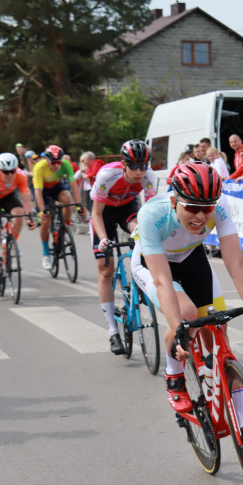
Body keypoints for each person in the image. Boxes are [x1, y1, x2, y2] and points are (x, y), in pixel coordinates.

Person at [131, 162, 243, 416]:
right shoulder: (151, 215)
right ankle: (174, 376)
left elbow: (236, 268)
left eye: (206, 209)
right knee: (187, 315)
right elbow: (164, 281)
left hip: (190, 257)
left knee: (219, 327)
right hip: (154, 263)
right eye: (192, 208)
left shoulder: (219, 208)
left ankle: (236, 409)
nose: (200, 217)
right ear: (175, 199)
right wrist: (179, 329)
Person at [91, 140, 159, 355]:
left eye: (144, 166)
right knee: (106, 269)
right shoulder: (106, 176)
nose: (140, 171)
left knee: (142, 231)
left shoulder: (149, 177)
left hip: (127, 209)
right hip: (103, 212)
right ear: (124, 164)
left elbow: (150, 212)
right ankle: (112, 331)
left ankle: (141, 282)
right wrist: (103, 239)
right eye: (135, 166)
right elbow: (96, 214)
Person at [0, 152, 36, 290]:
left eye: (12, 171)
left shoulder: (21, 175)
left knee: (19, 214)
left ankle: (10, 243)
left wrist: (30, 218)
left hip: (8, 197)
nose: (10, 175)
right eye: (6, 172)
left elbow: (26, 199)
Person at [34, 144, 82, 270]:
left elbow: (74, 186)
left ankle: (65, 228)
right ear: (47, 160)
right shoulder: (39, 167)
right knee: (46, 220)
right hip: (43, 190)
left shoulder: (66, 165)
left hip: (56, 187)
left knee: (67, 198)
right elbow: (38, 192)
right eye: (53, 163)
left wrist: (79, 205)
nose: (56, 166)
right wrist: (42, 210)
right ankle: (45, 254)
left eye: (58, 162)